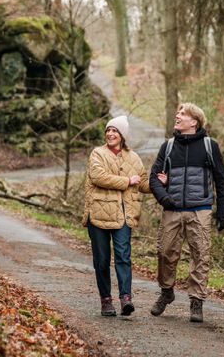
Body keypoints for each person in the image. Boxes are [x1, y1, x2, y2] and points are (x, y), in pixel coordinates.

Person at [149, 103, 224, 322]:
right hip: (171, 210)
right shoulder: (168, 147)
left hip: (200, 210)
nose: (177, 116)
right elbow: (153, 178)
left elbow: (221, 181)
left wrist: (223, 212)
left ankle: (196, 301)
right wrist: (164, 198)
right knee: (165, 252)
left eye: (182, 114)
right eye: (178, 113)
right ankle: (166, 291)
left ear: (194, 121)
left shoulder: (209, 146)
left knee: (200, 255)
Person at [82, 115, 150, 316]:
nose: (110, 134)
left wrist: (160, 183)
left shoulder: (134, 158)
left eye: (115, 131)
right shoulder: (97, 153)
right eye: (108, 130)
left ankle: (125, 298)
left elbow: (142, 182)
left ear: (123, 135)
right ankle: (106, 300)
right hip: (99, 214)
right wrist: (127, 180)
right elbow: (98, 177)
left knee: (123, 256)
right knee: (102, 260)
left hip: (124, 216)